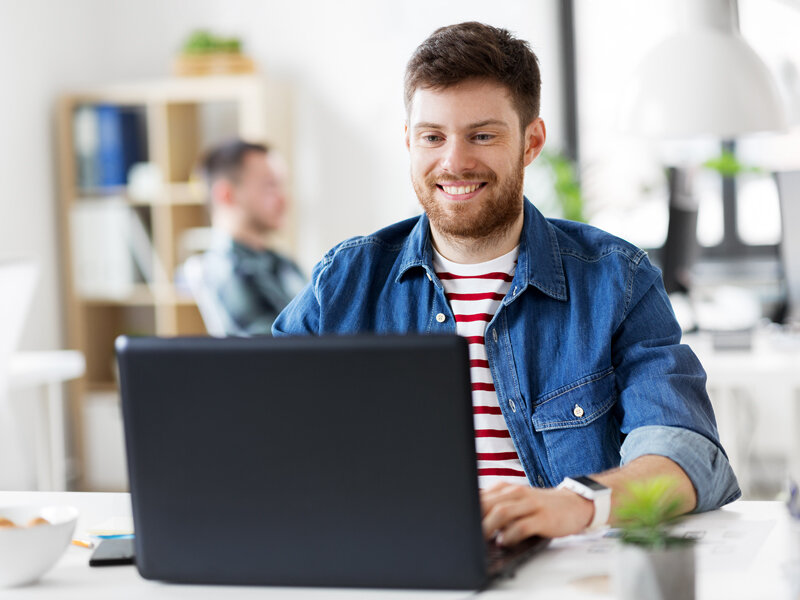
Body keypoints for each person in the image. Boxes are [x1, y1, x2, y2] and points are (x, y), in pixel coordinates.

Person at [273, 22, 740, 544]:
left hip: (563, 571)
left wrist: (577, 504)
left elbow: (684, 453)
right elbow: (263, 429)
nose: (454, 162)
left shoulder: (616, 280)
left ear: (530, 142)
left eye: (483, 135)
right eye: (432, 137)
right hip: (389, 560)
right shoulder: (343, 283)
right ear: (408, 140)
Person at [192, 140, 306, 336]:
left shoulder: (281, 262)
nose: (283, 199)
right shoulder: (227, 269)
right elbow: (280, 351)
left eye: (282, 185)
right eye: (270, 186)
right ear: (226, 194)